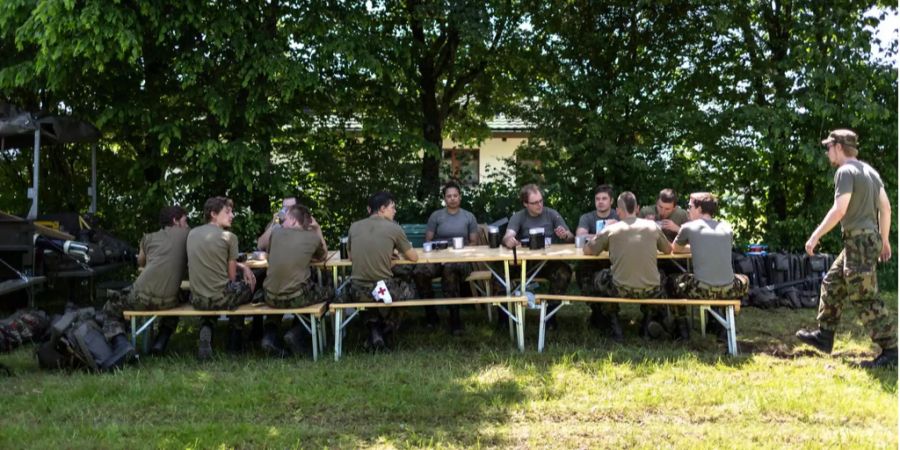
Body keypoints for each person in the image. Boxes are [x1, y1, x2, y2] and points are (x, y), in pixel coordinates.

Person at [795, 129, 896, 368]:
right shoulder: (870, 172)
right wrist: (884, 239)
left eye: (828, 147)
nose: (828, 152)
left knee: (863, 296)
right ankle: (825, 336)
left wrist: (814, 236)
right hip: (864, 240)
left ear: (838, 146)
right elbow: (886, 208)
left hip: (859, 241)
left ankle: (892, 350)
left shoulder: (845, 171)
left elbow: (840, 210)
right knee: (832, 282)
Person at [101, 205, 189, 357]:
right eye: (185, 220)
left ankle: (121, 343)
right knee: (181, 297)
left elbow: (141, 263)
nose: (187, 224)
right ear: (175, 221)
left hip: (140, 297)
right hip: (169, 300)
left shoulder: (148, 238)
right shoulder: (189, 235)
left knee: (109, 308)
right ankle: (161, 340)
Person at [584, 191, 672, 341]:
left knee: (598, 277)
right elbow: (668, 250)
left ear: (618, 210)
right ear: (637, 209)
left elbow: (588, 250)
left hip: (620, 289)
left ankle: (613, 324)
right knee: (661, 276)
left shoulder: (611, 229)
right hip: (650, 290)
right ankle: (648, 323)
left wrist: (603, 235)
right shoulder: (652, 226)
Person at [345, 191, 418, 350]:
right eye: (393, 207)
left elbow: (351, 257)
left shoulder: (354, 226)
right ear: (383, 208)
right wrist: (394, 255)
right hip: (384, 288)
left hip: (357, 289)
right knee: (410, 290)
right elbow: (413, 257)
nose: (395, 211)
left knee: (368, 297)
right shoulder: (394, 228)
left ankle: (374, 331)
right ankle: (386, 330)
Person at [671, 193, 749, 340]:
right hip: (729, 289)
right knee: (744, 279)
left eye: (690, 207)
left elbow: (675, 249)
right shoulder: (727, 228)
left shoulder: (688, 227)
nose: (688, 210)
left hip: (701, 289)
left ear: (699, 208)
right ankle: (719, 324)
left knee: (672, 281)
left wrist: (693, 246)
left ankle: (682, 328)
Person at [187, 196, 257, 360]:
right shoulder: (229, 237)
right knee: (246, 284)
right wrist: (245, 268)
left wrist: (241, 265)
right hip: (220, 298)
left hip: (196, 299)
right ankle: (235, 340)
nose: (232, 215)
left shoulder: (192, 234)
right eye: (227, 212)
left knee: (212, 290)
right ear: (213, 214)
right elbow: (231, 278)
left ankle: (207, 326)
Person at [261, 204, 334, 356]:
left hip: (270, 297)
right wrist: (318, 229)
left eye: (286, 219)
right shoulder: (312, 237)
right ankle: (297, 333)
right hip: (297, 296)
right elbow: (323, 256)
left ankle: (269, 337)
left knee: (282, 289)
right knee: (331, 293)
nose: (283, 222)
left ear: (294, 221)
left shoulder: (276, 234)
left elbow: (265, 249)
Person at [503, 184, 574, 330]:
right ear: (525, 204)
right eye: (535, 203)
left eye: (541, 200)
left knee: (564, 272)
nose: (539, 205)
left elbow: (571, 237)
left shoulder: (552, 214)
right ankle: (504, 319)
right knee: (500, 275)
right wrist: (509, 240)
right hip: (525, 263)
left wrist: (565, 235)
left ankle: (550, 316)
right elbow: (507, 236)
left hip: (549, 263)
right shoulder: (518, 216)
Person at [413, 181, 479, 335]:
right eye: (449, 196)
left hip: (460, 259)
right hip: (437, 257)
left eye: (455, 195)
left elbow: (474, 242)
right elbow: (428, 240)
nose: (452, 198)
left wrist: (456, 254)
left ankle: (455, 318)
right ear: (444, 199)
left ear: (460, 197)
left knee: (450, 270)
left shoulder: (469, 216)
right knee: (419, 272)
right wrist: (439, 253)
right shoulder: (436, 216)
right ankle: (431, 315)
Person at [575, 185, 619, 328]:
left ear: (611, 201)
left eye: (604, 198)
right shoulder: (587, 217)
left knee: (610, 279)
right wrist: (605, 233)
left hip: (614, 260)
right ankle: (597, 311)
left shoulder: (618, 216)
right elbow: (580, 236)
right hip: (591, 260)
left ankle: (610, 315)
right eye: (597, 199)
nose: (600, 201)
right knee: (582, 273)